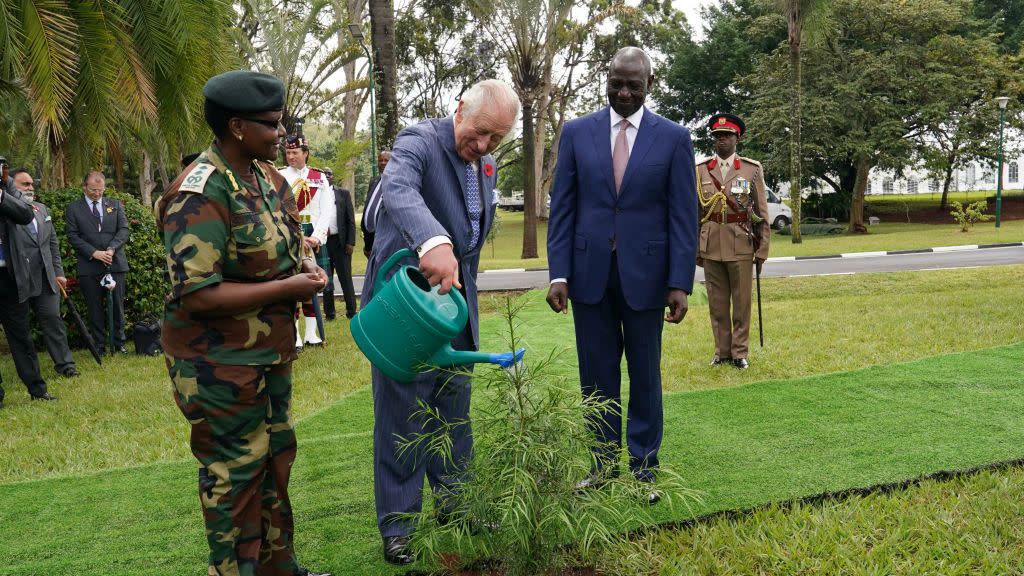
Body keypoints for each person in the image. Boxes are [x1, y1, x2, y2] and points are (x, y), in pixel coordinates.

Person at [155, 70, 330, 576]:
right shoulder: (200, 192)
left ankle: (280, 569)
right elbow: (198, 293)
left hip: (268, 355)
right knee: (235, 474)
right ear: (236, 126)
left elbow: (286, 249)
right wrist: (287, 289)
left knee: (276, 459)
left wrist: (305, 268)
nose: (282, 134)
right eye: (272, 125)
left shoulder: (267, 178)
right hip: (216, 363)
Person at [364, 79, 518, 565]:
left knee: (454, 413)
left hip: (455, 309)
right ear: (458, 110)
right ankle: (399, 526)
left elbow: (472, 233)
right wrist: (433, 241)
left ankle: (458, 506)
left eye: (496, 139)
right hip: (406, 307)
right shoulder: (419, 142)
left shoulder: (485, 163)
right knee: (402, 415)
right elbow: (398, 188)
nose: (483, 147)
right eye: (478, 134)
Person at [546, 47, 698, 503]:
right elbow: (564, 209)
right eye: (617, 83)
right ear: (606, 80)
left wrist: (679, 282)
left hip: (647, 278)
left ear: (650, 84)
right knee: (596, 374)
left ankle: (644, 468)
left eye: (634, 84)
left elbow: (682, 216)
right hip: (589, 274)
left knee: (645, 374)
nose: (624, 92)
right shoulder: (576, 133)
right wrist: (559, 274)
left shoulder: (673, 138)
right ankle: (602, 465)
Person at [695, 113, 770, 369]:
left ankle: (739, 353)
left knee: (741, 303)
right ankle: (721, 352)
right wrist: (696, 247)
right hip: (711, 243)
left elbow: (761, 212)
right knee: (717, 303)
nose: (721, 140)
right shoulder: (701, 170)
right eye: (717, 136)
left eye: (726, 136)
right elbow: (695, 212)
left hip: (741, 242)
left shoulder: (751, 169)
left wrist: (762, 250)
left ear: (737, 138)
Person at [10, 168, 79, 377]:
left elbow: (52, 244)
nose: (31, 188)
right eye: (25, 184)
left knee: (53, 320)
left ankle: (66, 365)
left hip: (47, 278)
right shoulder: (6, 211)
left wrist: (58, 272)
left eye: (32, 184)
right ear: (12, 187)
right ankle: (30, 372)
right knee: (20, 328)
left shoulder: (42, 209)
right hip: (18, 279)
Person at [0, 166, 57, 406]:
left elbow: (25, 214)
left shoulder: (8, 187)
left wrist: (2, 195)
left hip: (10, 276)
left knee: (21, 337)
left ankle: (37, 389)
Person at [65, 171, 130, 355]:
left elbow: (123, 230)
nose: (97, 194)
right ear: (84, 187)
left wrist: (111, 249)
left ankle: (119, 343)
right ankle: (99, 345)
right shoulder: (73, 208)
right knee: (94, 307)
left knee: (117, 305)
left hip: (114, 262)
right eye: (93, 190)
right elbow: (72, 236)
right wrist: (94, 253)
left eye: (100, 190)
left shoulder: (115, 205)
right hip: (89, 265)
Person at [279, 135, 332, 348]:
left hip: (314, 234)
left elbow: (327, 209)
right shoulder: (280, 176)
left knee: (313, 284)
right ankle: (296, 335)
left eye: (295, 152)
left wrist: (317, 236)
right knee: (294, 284)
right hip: (291, 233)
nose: (290, 156)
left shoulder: (319, 177)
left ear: (305, 153)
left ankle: (311, 333)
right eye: (288, 153)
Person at [321, 168, 357, 319]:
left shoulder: (343, 193)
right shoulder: (316, 195)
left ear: (333, 176)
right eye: (324, 174)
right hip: (323, 243)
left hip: (340, 243)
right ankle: (329, 314)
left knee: (346, 278)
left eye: (329, 173)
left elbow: (350, 220)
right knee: (326, 279)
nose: (327, 176)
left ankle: (352, 311)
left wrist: (350, 242)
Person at [360, 150, 391, 258]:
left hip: (386, 240)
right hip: (371, 240)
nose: (382, 163)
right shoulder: (374, 181)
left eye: (386, 160)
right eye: (380, 160)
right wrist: (367, 245)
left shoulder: (397, 182)